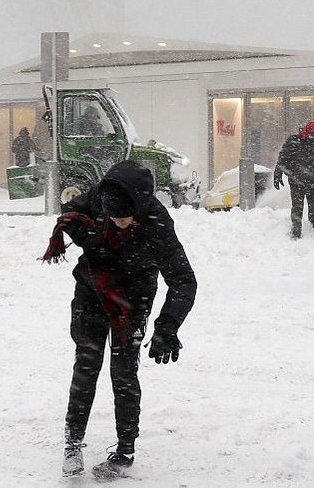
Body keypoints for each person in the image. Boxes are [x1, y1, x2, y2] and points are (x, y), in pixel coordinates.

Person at [39, 160, 197, 479]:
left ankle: (125, 451)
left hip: (133, 300)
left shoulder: (157, 224)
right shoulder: (102, 195)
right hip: (92, 289)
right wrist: (88, 237)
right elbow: (69, 214)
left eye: (124, 218)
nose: (119, 223)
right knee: (86, 364)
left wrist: (168, 326)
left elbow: (184, 279)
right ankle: (73, 442)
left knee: (123, 373)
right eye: (112, 217)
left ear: (138, 209)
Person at [273, 120, 314, 238]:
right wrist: (278, 173)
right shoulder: (295, 141)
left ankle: (313, 227)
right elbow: (283, 157)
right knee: (301, 205)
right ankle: (298, 230)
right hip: (299, 179)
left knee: (310, 205)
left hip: (309, 179)